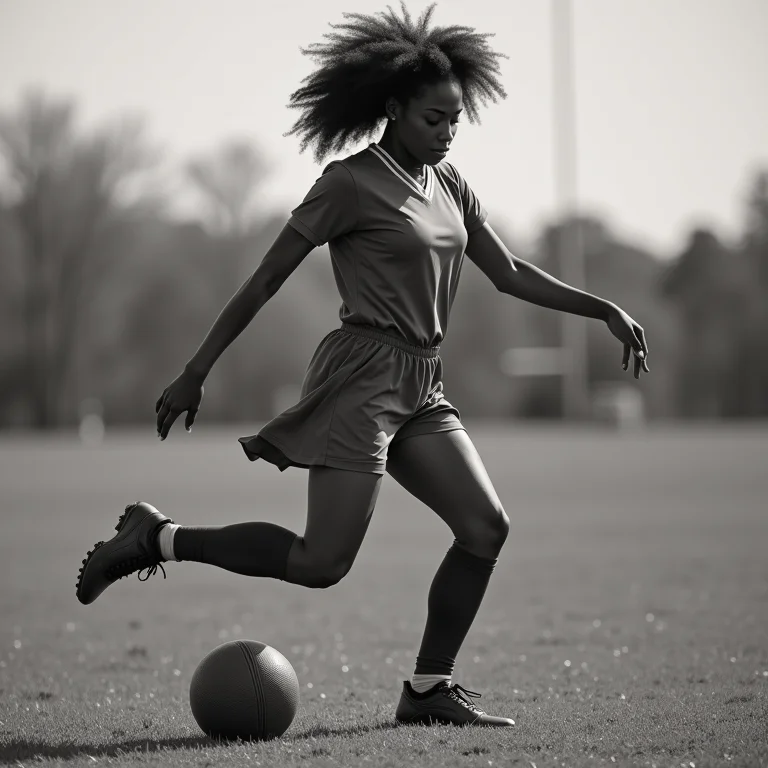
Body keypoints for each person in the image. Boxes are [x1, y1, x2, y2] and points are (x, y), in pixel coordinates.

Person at [76, 2, 650, 728]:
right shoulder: (348, 182)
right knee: (324, 563)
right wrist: (197, 370)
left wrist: (602, 308)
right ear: (392, 109)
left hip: (423, 381)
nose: (444, 133)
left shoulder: (452, 187)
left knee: (485, 527)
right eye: (431, 119)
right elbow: (264, 279)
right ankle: (154, 539)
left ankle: (427, 689)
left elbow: (508, 273)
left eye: (454, 121)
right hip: (362, 377)